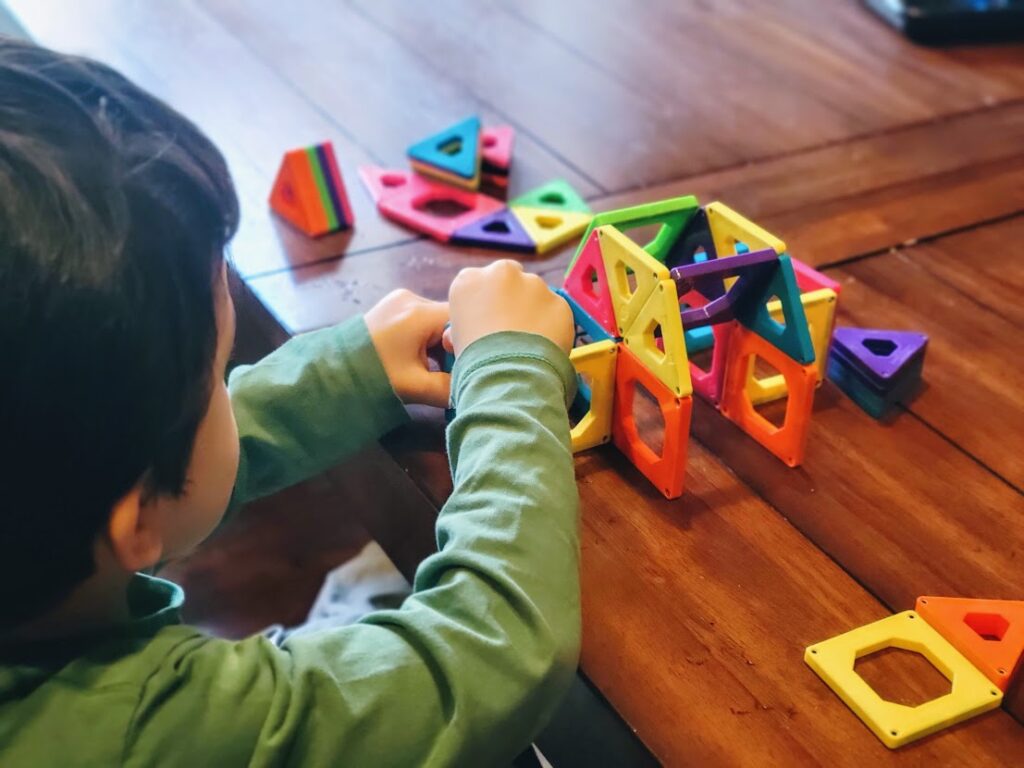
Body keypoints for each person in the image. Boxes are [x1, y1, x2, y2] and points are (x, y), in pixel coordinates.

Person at [0, 37, 581, 767]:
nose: (226, 388)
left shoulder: (36, 524)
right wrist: (512, 371)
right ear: (135, 514)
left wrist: (344, 372)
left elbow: (118, 467)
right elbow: (492, 656)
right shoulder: (153, 733)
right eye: (218, 374)